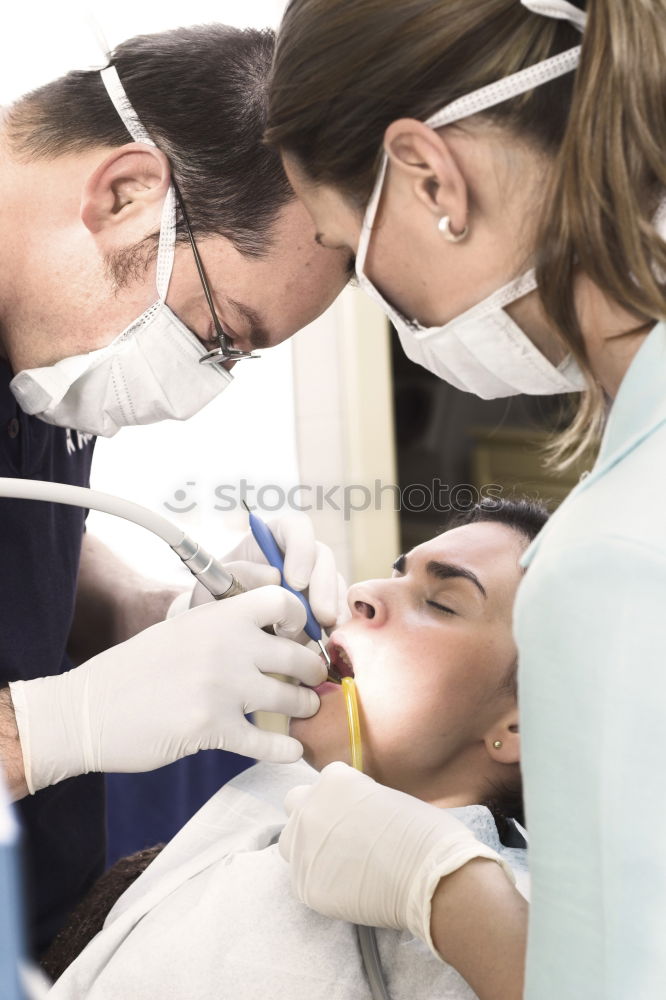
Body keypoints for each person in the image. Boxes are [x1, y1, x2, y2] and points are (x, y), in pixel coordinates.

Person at [266, 1, 666, 996]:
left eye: (349, 255)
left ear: (430, 177)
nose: (361, 595)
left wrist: (448, 892)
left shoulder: (615, 562)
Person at [0, 23, 350, 953]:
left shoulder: (36, 339)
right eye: (223, 331)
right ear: (125, 194)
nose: (203, 383)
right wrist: (52, 730)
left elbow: (24, 552)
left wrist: (165, 613)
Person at [41, 498, 545, 1000]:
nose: (362, 592)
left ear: (520, 726)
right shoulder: (277, 785)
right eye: (397, 572)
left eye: (440, 602)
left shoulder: (510, 935)